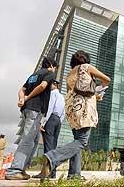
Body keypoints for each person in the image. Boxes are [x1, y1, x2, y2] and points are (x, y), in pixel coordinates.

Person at [38, 50, 110, 180]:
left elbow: (74, 92)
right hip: (84, 109)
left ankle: (74, 174)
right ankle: (52, 158)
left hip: (72, 109)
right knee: (82, 141)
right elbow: (107, 79)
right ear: (86, 60)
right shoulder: (86, 67)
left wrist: (94, 95)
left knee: (77, 141)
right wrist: (101, 87)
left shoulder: (69, 74)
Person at [5, 57, 57, 180]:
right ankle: (14, 170)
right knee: (28, 139)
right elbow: (43, 86)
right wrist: (27, 98)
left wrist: (22, 99)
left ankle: (21, 169)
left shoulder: (33, 75)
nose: (54, 70)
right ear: (50, 65)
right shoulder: (49, 73)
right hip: (35, 109)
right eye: (54, 67)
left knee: (33, 141)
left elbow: (21, 89)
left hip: (28, 109)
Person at [33, 80, 65, 179]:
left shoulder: (52, 94)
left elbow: (50, 107)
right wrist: (59, 121)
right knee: (53, 146)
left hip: (51, 119)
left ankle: (45, 172)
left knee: (48, 146)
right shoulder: (62, 96)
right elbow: (64, 112)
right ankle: (52, 173)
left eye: (50, 84)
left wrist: (43, 122)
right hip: (58, 121)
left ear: (54, 85)